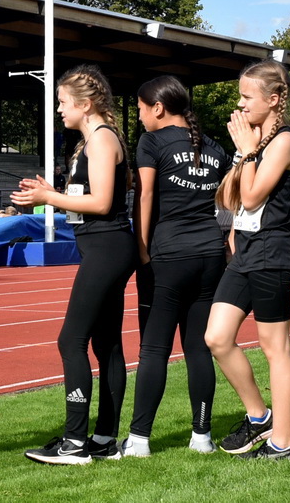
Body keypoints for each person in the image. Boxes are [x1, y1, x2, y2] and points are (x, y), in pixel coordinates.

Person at [12, 64, 135, 465]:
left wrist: (49, 199)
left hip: (107, 248)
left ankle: (75, 442)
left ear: (86, 104)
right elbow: (89, 198)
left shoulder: (100, 140)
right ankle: (102, 440)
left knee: (71, 340)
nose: (59, 110)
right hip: (104, 246)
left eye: (63, 102)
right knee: (106, 344)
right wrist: (52, 191)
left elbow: (99, 202)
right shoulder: (93, 140)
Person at [119, 76, 228, 458]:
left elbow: (145, 194)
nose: (140, 116)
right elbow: (226, 202)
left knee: (153, 349)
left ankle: (140, 438)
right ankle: (202, 436)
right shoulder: (214, 147)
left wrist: (142, 249)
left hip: (168, 255)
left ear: (158, 108)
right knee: (198, 349)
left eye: (140, 108)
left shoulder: (151, 141)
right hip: (210, 254)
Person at [204, 60, 290, 460]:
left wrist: (246, 154)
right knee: (217, 337)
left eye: (247, 96)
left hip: (271, 251)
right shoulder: (256, 141)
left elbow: (251, 197)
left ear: (274, 99)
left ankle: (283, 443)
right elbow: (231, 200)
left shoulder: (283, 143)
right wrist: (244, 154)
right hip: (244, 250)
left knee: (274, 346)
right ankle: (259, 416)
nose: (240, 105)